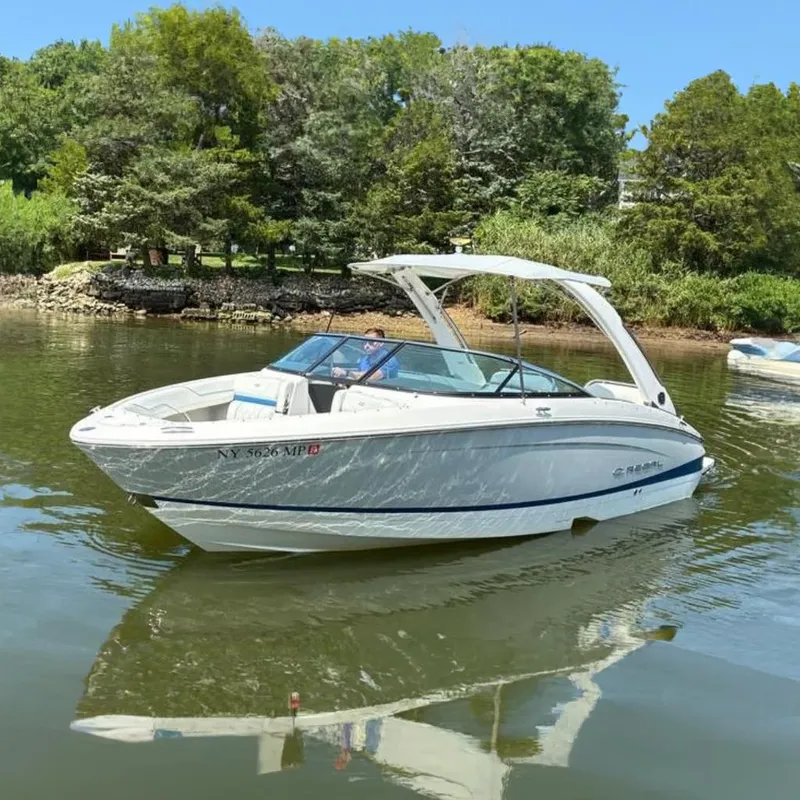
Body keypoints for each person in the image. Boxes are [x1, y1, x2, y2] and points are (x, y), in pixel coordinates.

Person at [332, 328, 399, 381]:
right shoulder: (365, 358)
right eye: (364, 342)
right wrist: (337, 371)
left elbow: (371, 377)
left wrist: (346, 373)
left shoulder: (389, 360)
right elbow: (359, 371)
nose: (366, 346)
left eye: (371, 342)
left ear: (381, 343)